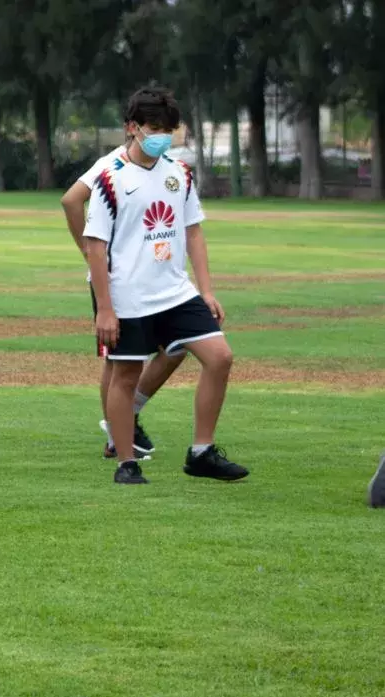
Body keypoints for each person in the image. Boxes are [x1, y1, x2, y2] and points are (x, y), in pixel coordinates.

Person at [83, 87, 249, 485]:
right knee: (125, 376)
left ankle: (201, 452)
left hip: (175, 291)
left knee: (219, 357)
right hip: (129, 295)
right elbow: (94, 245)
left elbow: (193, 233)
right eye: (153, 128)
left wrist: (206, 290)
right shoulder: (111, 179)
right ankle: (126, 462)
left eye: (168, 130)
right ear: (132, 127)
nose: (161, 136)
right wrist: (105, 308)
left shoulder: (180, 173)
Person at [63, 142, 184, 459]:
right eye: (153, 124)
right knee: (118, 359)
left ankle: (125, 417)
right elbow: (72, 200)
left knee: (179, 344)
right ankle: (118, 437)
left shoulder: (164, 163)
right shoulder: (114, 162)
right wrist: (91, 254)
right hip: (118, 277)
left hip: (154, 276)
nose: (161, 133)